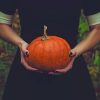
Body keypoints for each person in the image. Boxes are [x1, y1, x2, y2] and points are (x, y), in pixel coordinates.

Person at [0, 0, 100, 100]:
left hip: (70, 62)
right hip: (27, 62)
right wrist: (21, 44)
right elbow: (2, 24)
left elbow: (97, 28)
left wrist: (75, 52)